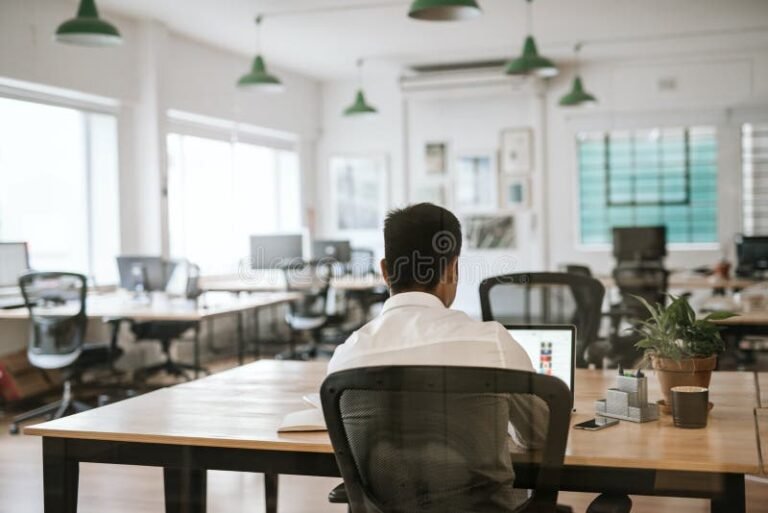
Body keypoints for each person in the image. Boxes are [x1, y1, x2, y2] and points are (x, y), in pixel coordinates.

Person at [327, 203, 548, 511]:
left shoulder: (346, 357)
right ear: (453, 269)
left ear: (385, 271)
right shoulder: (491, 343)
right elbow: (541, 434)